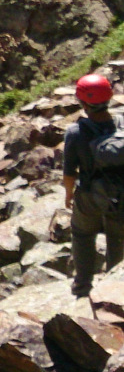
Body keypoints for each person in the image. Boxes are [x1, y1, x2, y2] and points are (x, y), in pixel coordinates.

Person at [64, 74, 124, 297]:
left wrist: (69, 194)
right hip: (120, 194)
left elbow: (69, 171)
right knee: (117, 240)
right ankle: (114, 291)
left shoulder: (76, 132)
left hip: (89, 193)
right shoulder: (122, 123)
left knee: (82, 235)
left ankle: (82, 285)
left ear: (82, 101)